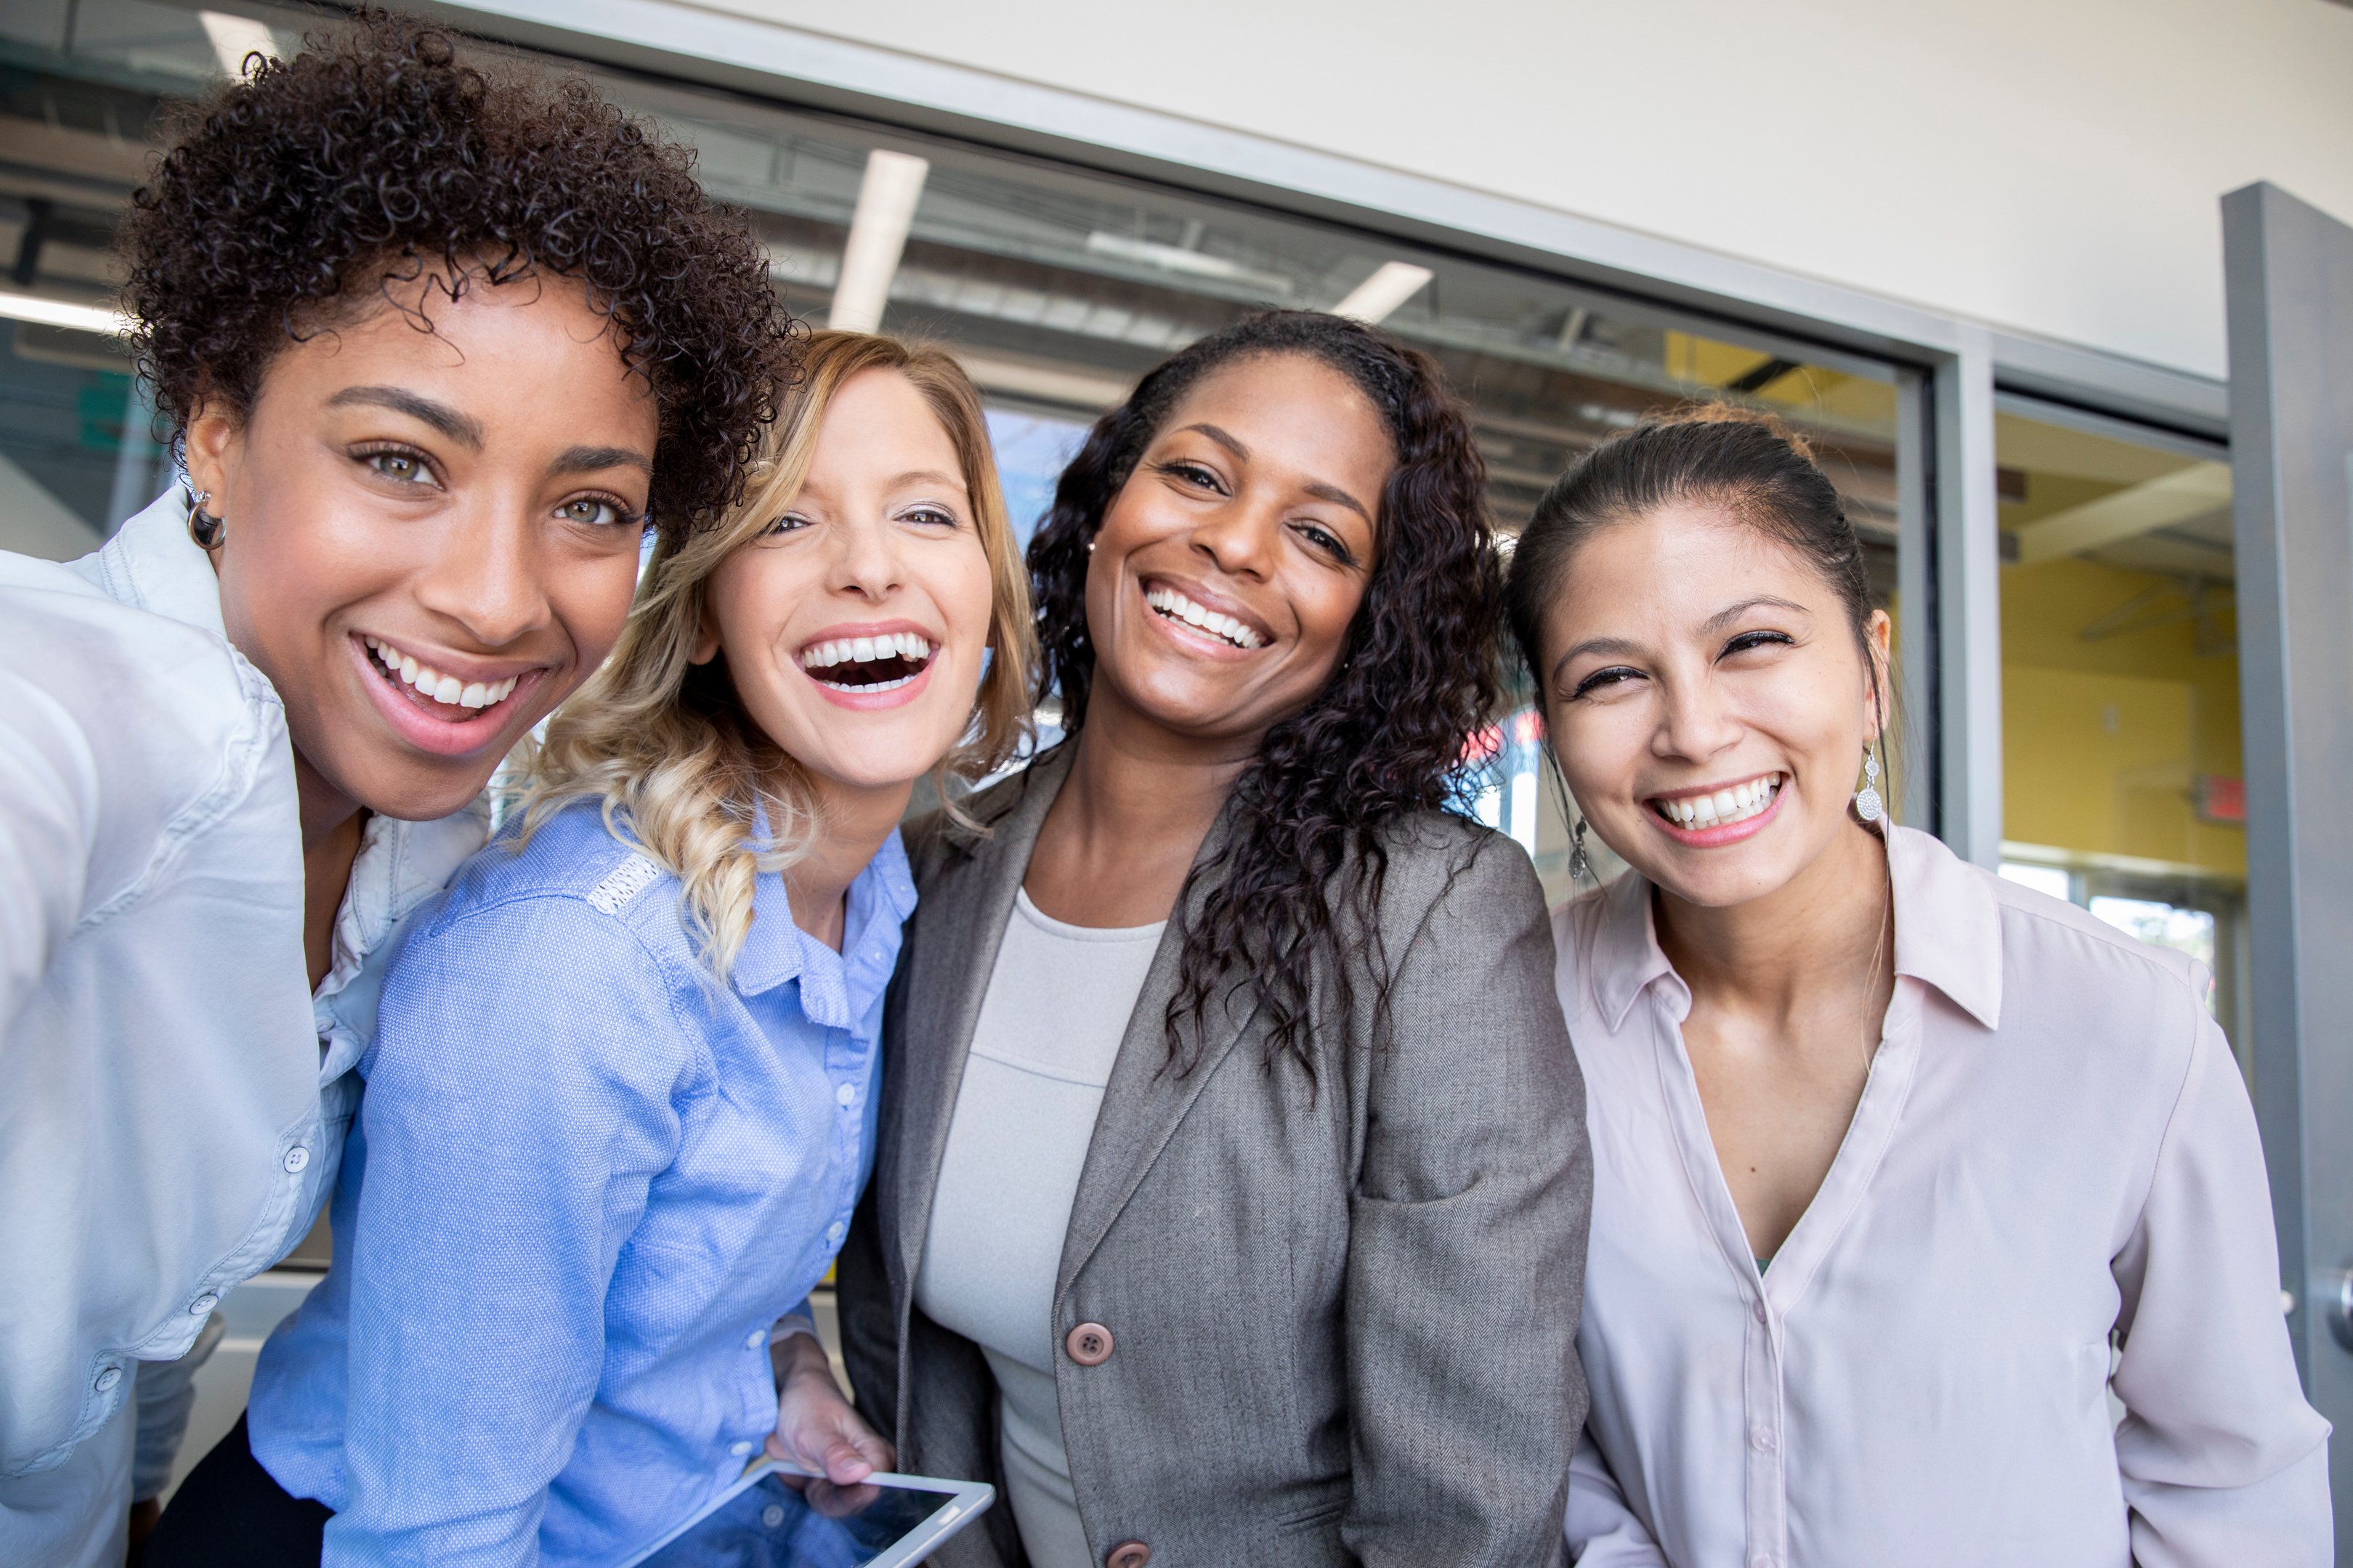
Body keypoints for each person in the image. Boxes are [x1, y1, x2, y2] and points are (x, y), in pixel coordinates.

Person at [0, 14, 789, 1567]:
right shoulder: (76, 703)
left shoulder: (428, 836)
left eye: (588, 504)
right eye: (401, 460)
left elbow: (136, 1316)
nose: (499, 601)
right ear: (215, 434)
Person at [149, 331, 1034, 1567]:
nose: (871, 569)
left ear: (987, 581)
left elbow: (708, 1236)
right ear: (709, 611)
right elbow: (436, 1538)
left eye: (926, 515)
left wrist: (782, 1369)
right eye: (787, 524)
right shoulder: (572, 967)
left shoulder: (878, 887)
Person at [826, 309, 1592, 1568]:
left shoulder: (1429, 913)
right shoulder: (932, 867)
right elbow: (900, 1360)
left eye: (1318, 534)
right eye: (1197, 474)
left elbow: (1472, 1504)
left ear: (1370, 614)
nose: (1233, 544)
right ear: (1109, 500)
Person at [1505, 410, 2332, 1567]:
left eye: (1750, 644)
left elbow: (2235, 1485)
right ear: (1555, 727)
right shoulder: (1512, 1024)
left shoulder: (2122, 1025)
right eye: (1611, 677)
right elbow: (1540, 1442)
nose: (1693, 730)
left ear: (1872, 670)